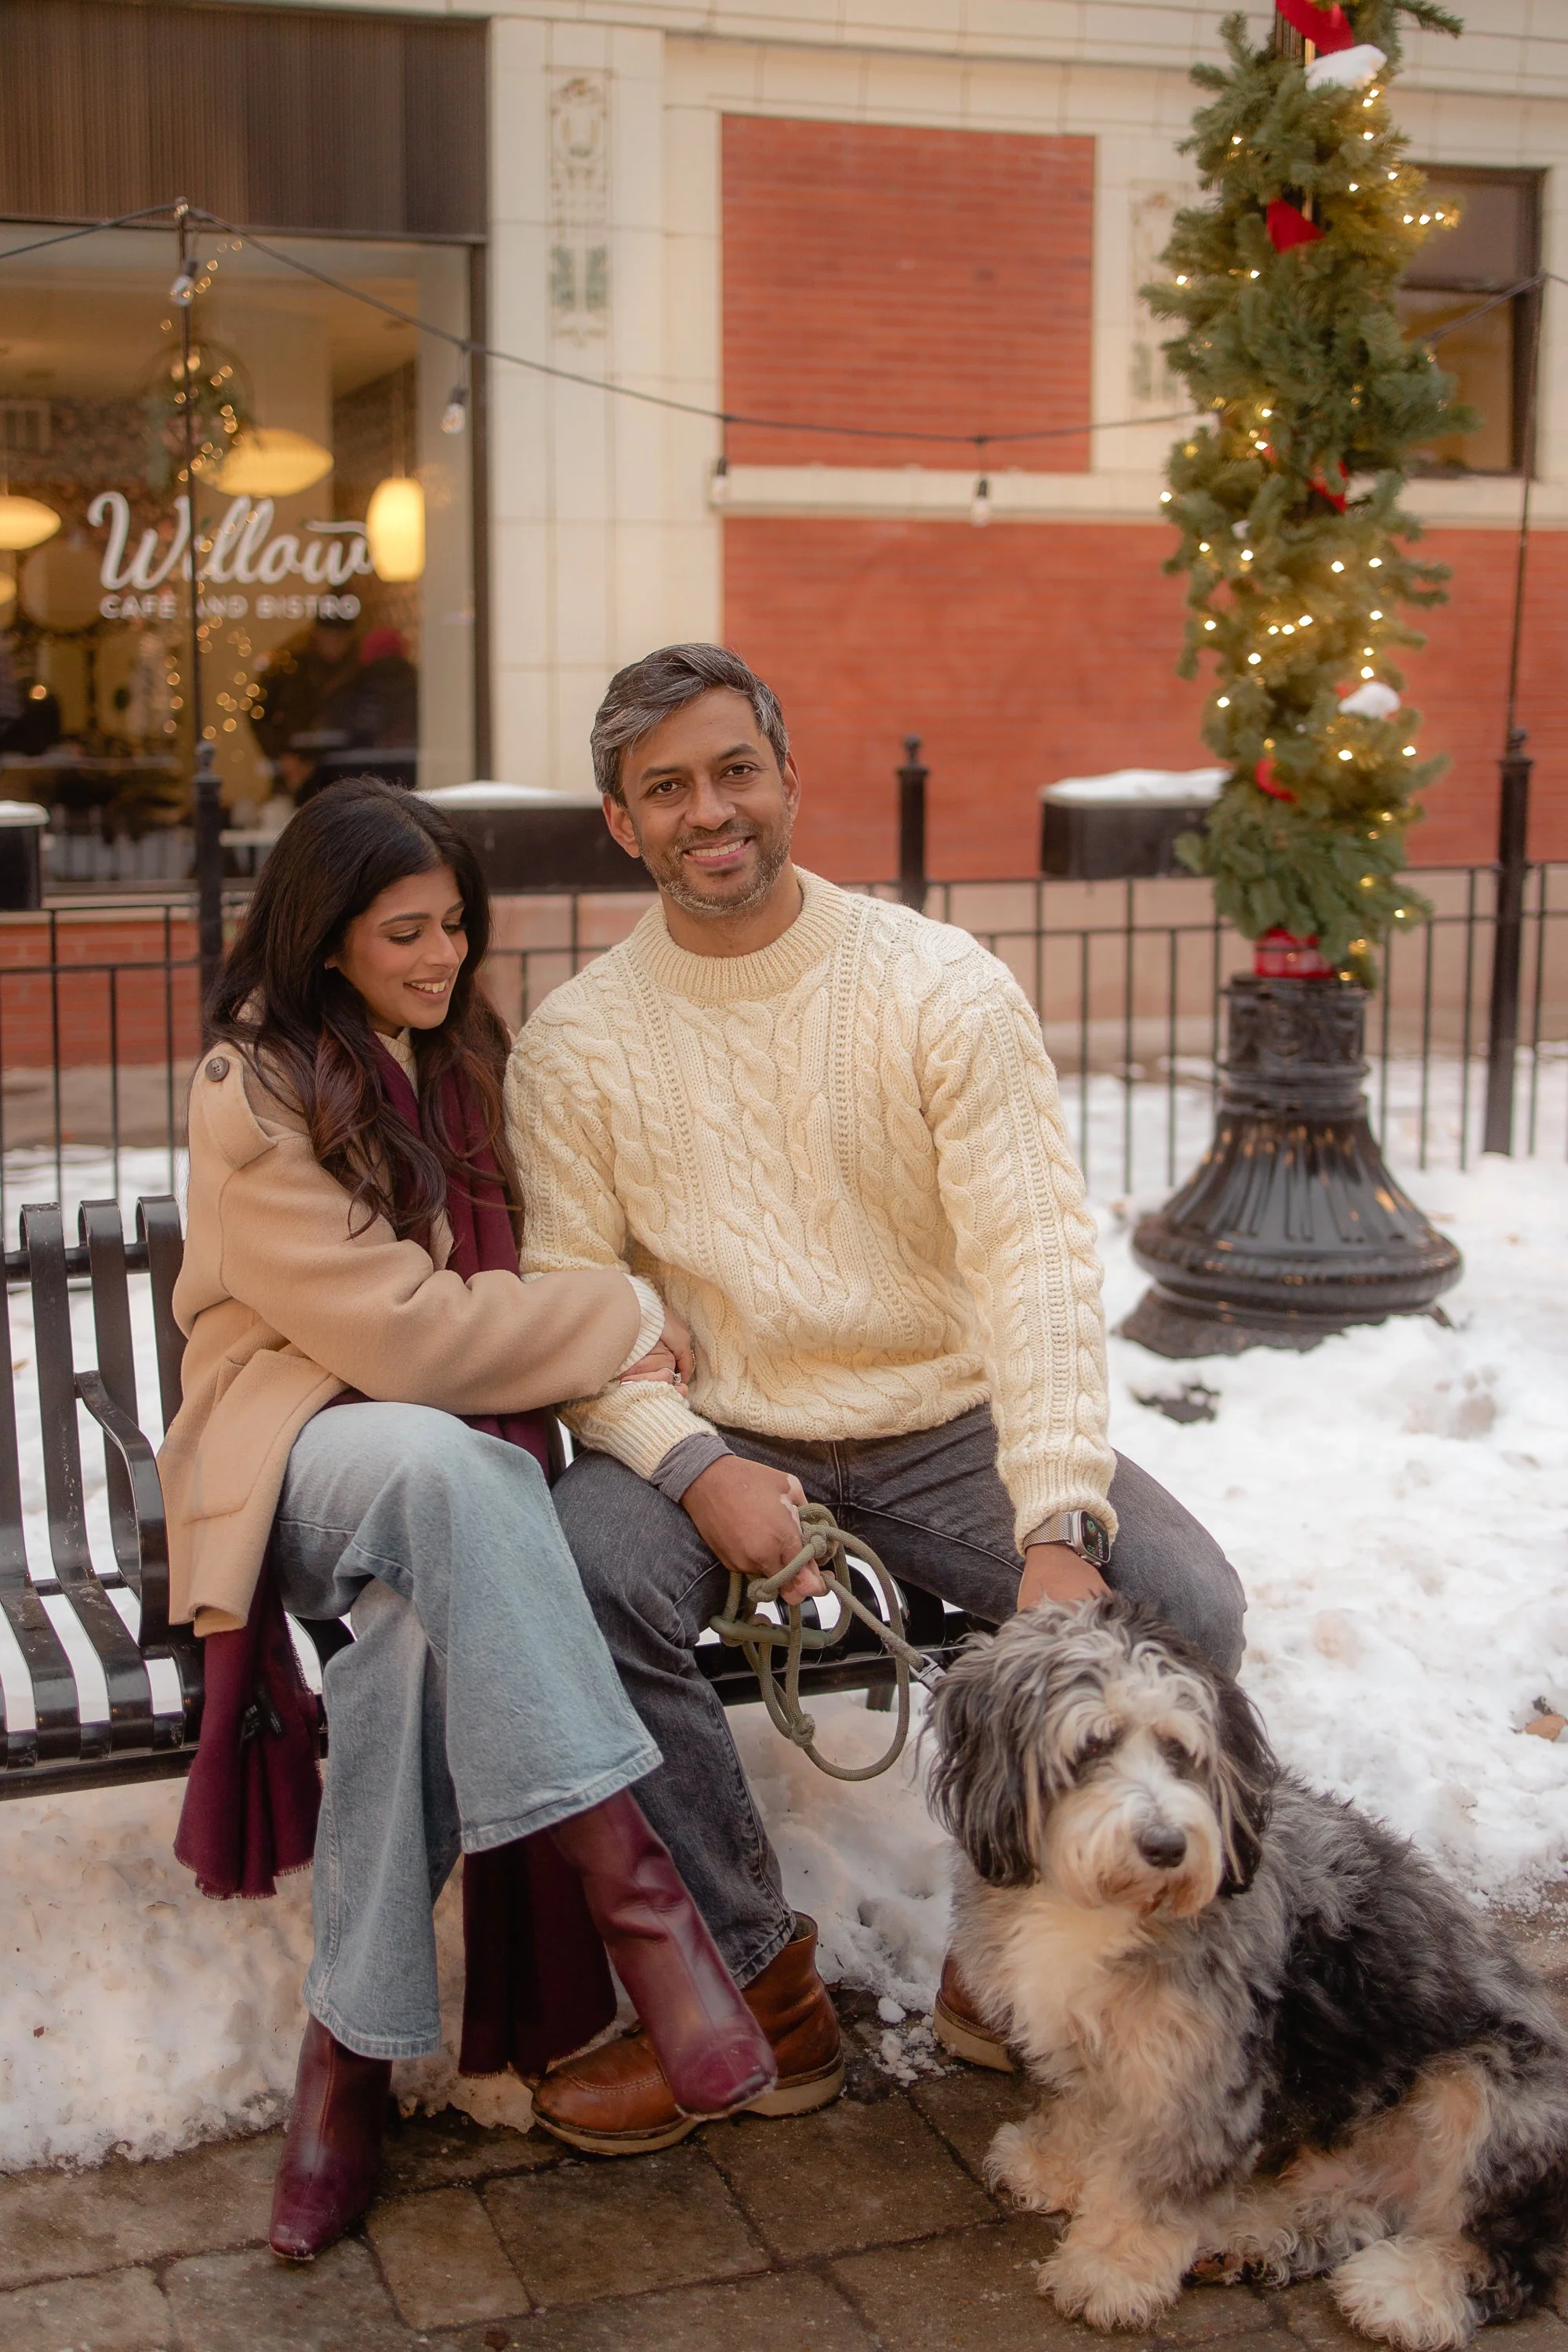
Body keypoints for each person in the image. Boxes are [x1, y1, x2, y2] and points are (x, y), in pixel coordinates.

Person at [505, 643, 1247, 2157]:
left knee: (1184, 1604)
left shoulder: (935, 984)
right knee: (579, 1574)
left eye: (734, 772)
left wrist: (1058, 1518)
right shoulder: (577, 1042)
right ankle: (753, 1990)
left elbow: (1035, 1265)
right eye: (668, 790)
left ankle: (1008, 1963)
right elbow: (573, 1311)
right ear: (618, 822)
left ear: (786, 780)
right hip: (727, 1430)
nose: (710, 811)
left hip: (948, 1424)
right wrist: (690, 1460)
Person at [158, 776, 775, 2259]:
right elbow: (410, 1342)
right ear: (324, 941)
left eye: (453, 929)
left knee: (422, 1639)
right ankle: (647, 1913)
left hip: (447, 1481)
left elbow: (475, 1322)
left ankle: (346, 2062)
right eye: (403, 935)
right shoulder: (256, 1089)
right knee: (455, 1472)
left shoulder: (462, 1064)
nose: (439, 960)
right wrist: (619, 1312)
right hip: (300, 1452)